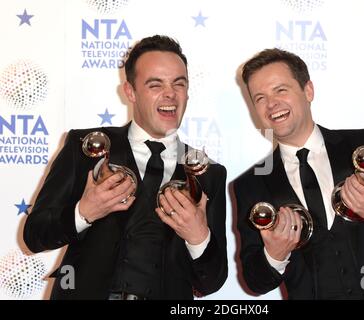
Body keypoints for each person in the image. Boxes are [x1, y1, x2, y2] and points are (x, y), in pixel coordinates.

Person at [23, 35, 227, 300]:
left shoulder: (208, 172)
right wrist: (83, 212)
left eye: (179, 83)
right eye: (155, 84)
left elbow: (211, 281)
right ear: (130, 91)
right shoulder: (84, 148)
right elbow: (35, 236)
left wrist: (199, 237)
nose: (170, 94)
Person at [233, 48, 364, 299]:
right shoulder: (249, 186)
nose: (271, 103)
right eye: (260, 98)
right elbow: (255, 281)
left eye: (280, 90)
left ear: (308, 90)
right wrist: (274, 254)